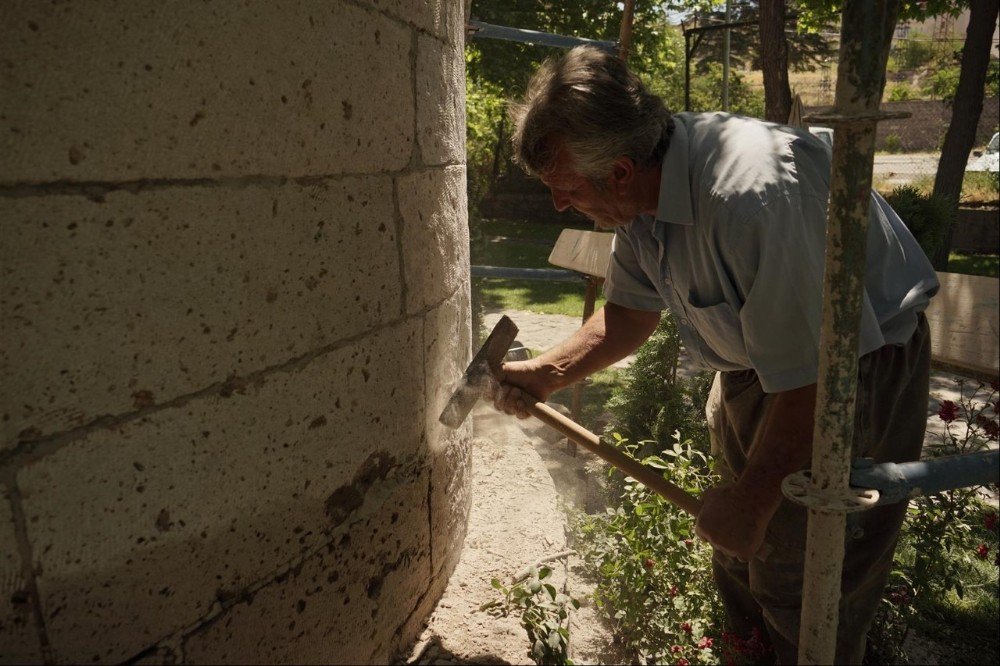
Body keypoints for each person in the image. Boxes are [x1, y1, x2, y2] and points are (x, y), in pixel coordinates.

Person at [489, 45, 939, 664]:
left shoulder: (752, 199)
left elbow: (817, 377)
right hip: (761, 369)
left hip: (855, 371)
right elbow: (627, 315)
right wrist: (547, 372)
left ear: (619, 171)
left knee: (803, 580)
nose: (559, 206)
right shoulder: (642, 193)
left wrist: (756, 498)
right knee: (737, 559)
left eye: (565, 189)